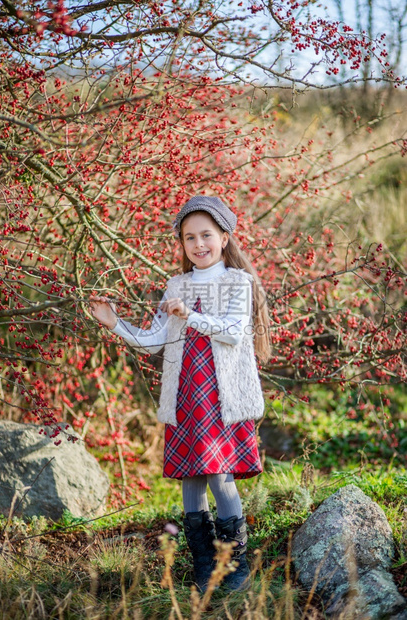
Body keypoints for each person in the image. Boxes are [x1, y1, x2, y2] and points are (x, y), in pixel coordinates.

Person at [89, 195, 271, 593]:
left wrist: (190, 316)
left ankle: (233, 565)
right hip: (188, 398)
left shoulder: (236, 282)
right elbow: (154, 341)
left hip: (221, 401)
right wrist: (115, 323)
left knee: (221, 478)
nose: (198, 244)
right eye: (189, 237)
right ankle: (205, 565)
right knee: (191, 479)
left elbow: (233, 333)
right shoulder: (177, 285)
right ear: (183, 244)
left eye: (206, 235)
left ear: (224, 238)